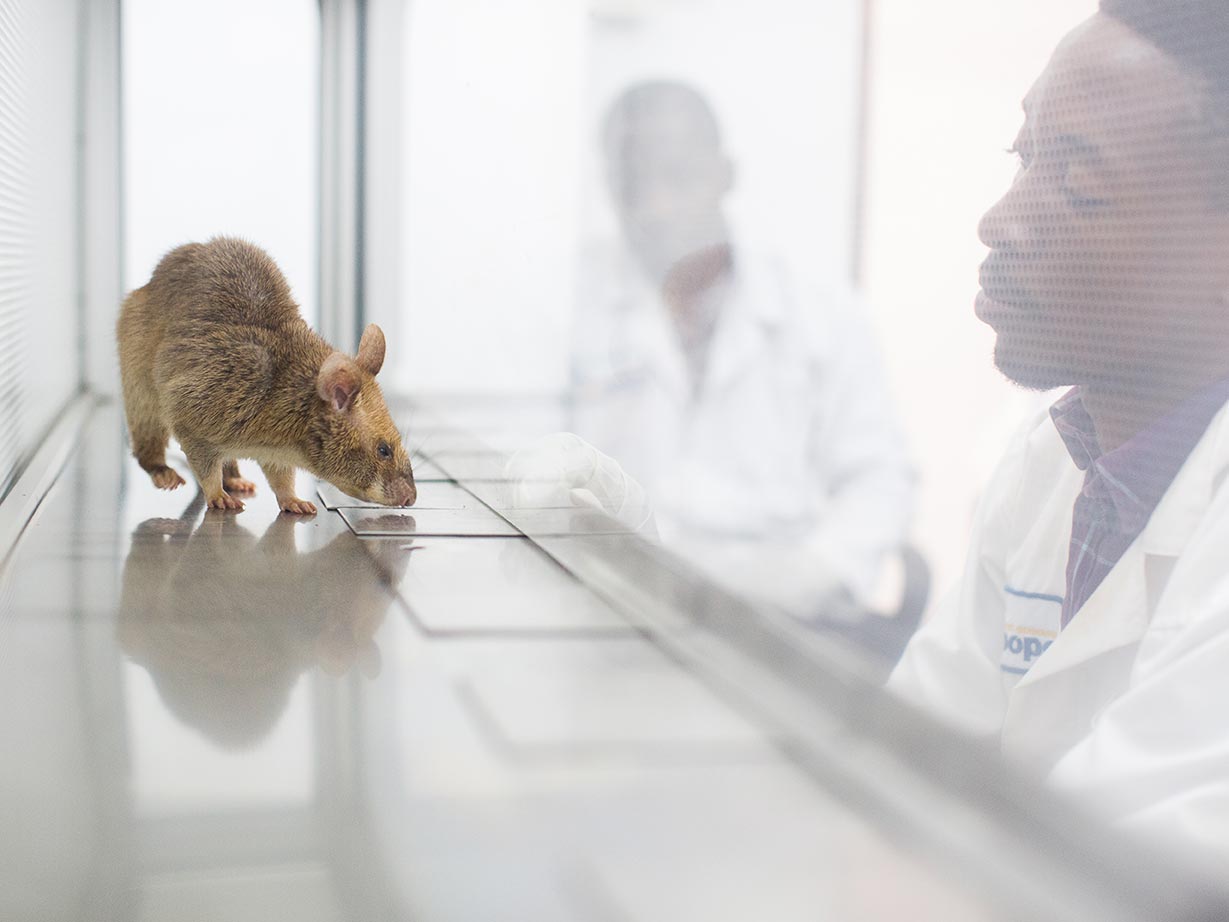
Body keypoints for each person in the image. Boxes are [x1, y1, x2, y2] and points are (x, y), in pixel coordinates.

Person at [890, 0, 1229, 865]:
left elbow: (1102, 876)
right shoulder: (1052, 456)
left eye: (1078, 184)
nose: (1000, 221)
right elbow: (903, 765)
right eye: (1023, 158)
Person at [568, 79, 916, 622]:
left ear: (725, 176)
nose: (655, 206)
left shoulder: (821, 314)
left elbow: (879, 479)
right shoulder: (570, 303)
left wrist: (810, 574)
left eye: (678, 177)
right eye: (632, 184)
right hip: (609, 607)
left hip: (774, 618)